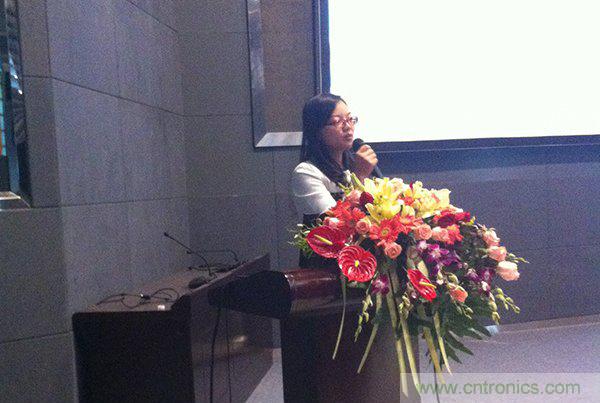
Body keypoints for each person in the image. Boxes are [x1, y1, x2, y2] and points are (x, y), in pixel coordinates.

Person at [291, 93, 378, 222]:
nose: (348, 126)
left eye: (350, 119)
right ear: (317, 130)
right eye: (337, 121)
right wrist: (359, 178)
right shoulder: (306, 172)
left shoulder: (354, 165)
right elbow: (334, 224)